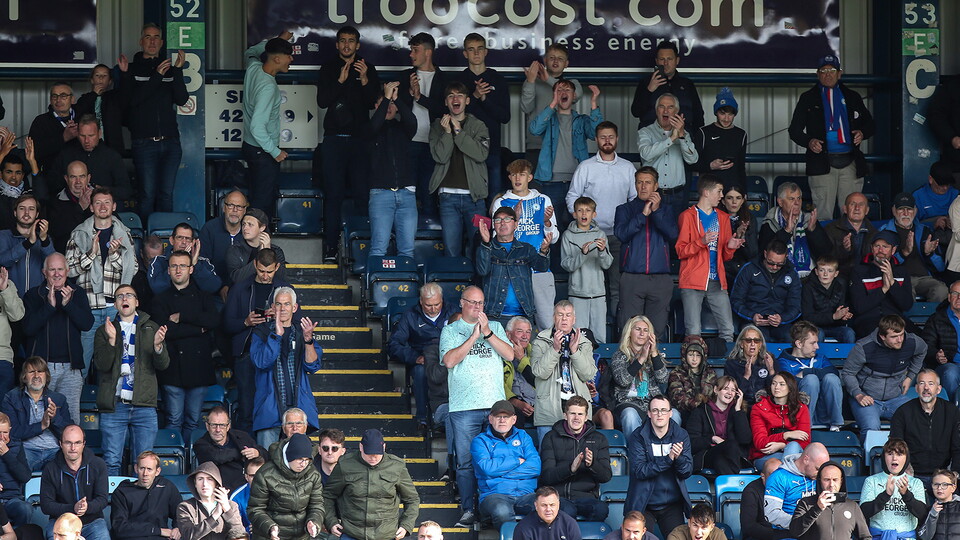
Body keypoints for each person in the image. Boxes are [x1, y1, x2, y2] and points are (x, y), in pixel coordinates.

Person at [439, 285, 512, 527]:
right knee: (466, 462)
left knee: (496, 458)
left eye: (480, 303)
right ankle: (468, 510)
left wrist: (488, 333)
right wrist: (473, 336)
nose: (477, 307)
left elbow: (511, 355)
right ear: (461, 303)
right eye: (472, 302)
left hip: (494, 407)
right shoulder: (450, 330)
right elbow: (449, 361)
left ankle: (493, 510)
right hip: (463, 408)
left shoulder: (497, 327)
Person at [317, 26, 380, 261]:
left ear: (358, 45)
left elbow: (375, 103)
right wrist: (341, 82)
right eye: (342, 41)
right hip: (334, 140)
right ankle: (331, 249)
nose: (346, 45)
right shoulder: (328, 68)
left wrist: (364, 79)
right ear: (336, 44)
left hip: (360, 142)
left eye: (351, 41)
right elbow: (322, 101)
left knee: (362, 196)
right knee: (333, 196)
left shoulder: (367, 68)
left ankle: (361, 250)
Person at [93, 284, 169, 475]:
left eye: (129, 295)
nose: (124, 299)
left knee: (144, 466)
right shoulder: (104, 330)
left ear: (137, 302)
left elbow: (163, 365)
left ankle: (140, 505)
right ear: (116, 304)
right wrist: (111, 341)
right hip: (115, 404)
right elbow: (101, 366)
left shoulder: (152, 328)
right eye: (119, 296)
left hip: (144, 405)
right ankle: (111, 504)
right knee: (111, 462)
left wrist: (158, 347)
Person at [788, 54, 875, 219]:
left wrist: (862, 133)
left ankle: (850, 244)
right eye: (824, 71)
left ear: (839, 73)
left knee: (852, 214)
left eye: (832, 70)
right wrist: (809, 141)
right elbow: (794, 130)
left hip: (850, 162)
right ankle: (823, 245)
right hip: (821, 162)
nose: (828, 74)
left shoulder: (852, 97)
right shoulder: (808, 98)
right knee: (822, 214)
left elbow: (871, 125)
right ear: (818, 74)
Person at [565, 122, 637, 318]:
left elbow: (634, 200)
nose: (607, 140)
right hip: (587, 238)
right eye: (603, 137)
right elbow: (572, 196)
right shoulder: (586, 167)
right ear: (596, 140)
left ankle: (614, 336)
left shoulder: (627, 167)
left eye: (611, 136)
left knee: (616, 288)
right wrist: (581, 219)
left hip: (617, 237)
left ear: (617, 138)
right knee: (588, 291)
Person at [66, 187, 138, 373]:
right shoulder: (79, 234)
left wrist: (114, 255)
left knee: (115, 365)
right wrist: (91, 254)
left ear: (114, 206)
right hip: (88, 308)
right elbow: (69, 271)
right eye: (98, 202)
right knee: (81, 365)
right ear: (91, 207)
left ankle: (110, 403)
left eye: (107, 202)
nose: (103, 206)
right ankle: (78, 403)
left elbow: (134, 268)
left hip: (115, 309)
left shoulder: (124, 233)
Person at [150, 250, 219, 441]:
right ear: (168, 271)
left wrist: (182, 318)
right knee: (173, 419)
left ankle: (192, 464)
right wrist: (198, 329)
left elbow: (213, 321)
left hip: (199, 367)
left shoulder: (204, 296)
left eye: (182, 266)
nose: (178, 270)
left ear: (191, 269)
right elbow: (166, 332)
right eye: (174, 266)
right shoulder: (160, 299)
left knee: (193, 421)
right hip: (172, 368)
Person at [222, 248, 291, 434]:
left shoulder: (285, 290)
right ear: (255, 265)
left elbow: (297, 322)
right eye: (261, 271)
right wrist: (246, 321)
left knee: (278, 408)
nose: (266, 276)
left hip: (277, 356)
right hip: (247, 355)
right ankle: (249, 457)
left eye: (270, 271)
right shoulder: (239, 288)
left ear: (277, 267)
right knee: (246, 408)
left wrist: (279, 316)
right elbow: (226, 325)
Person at [123, 23, 188, 215]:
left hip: (171, 142)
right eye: (148, 37)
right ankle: (144, 242)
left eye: (156, 37)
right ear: (141, 41)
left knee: (166, 195)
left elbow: (182, 99)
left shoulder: (169, 69)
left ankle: (166, 242)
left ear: (161, 42)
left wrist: (177, 70)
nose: (152, 41)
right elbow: (132, 102)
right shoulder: (132, 69)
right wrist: (157, 76)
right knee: (147, 194)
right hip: (144, 143)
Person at [21, 252, 92, 423]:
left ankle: (70, 449)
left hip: (71, 369)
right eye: (52, 269)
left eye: (60, 269)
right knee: (38, 416)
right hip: (41, 368)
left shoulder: (78, 293)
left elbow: (87, 324)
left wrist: (69, 305)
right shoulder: (33, 295)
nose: (57, 274)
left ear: (67, 271)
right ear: (44, 272)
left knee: (71, 418)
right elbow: (28, 329)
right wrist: (49, 306)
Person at [491, 158, 559, 330]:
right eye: (514, 175)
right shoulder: (502, 202)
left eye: (522, 174)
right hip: (512, 270)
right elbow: (496, 237)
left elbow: (555, 237)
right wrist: (515, 219)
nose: (517, 179)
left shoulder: (543, 200)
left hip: (538, 269)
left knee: (546, 324)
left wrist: (546, 222)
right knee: (515, 326)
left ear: (530, 177)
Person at [249, 287, 321, 447]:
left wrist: (309, 340)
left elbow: (313, 366)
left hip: (298, 410)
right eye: (278, 304)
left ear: (294, 308)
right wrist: (276, 335)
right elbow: (261, 362)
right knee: (267, 464)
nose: (282, 309)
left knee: (297, 462)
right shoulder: (261, 332)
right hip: (269, 411)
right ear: (273, 307)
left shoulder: (302, 333)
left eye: (287, 304)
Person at [676, 174, 744, 342]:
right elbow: (681, 251)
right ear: (706, 192)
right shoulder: (688, 216)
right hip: (693, 280)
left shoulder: (722, 217)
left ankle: (728, 367)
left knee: (728, 329)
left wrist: (730, 247)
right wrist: (701, 242)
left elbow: (726, 257)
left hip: (716, 280)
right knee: (693, 331)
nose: (722, 196)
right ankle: (693, 366)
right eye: (719, 191)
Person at [529, 80, 603, 232]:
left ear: (574, 95)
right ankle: (554, 257)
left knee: (578, 227)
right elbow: (534, 129)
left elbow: (597, 132)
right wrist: (552, 103)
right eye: (559, 90)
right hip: (551, 182)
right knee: (551, 227)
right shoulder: (549, 118)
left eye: (567, 90)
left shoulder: (581, 120)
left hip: (577, 183)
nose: (563, 92)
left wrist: (594, 103)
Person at [615, 166, 678, 339]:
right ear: (635, 185)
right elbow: (621, 234)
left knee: (655, 331)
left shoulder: (666, 209)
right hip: (632, 277)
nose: (643, 187)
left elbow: (673, 235)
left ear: (656, 186)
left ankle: (653, 365)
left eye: (648, 183)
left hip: (660, 279)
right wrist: (643, 215)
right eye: (639, 182)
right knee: (629, 329)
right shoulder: (625, 209)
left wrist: (656, 212)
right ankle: (628, 365)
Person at [428, 81, 490, 258]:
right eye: (451, 96)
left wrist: (458, 131)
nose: (455, 99)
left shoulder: (478, 126)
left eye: (460, 95)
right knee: (451, 250)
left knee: (479, 248)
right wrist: (447, 133)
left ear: (467, 101)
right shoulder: (437, 126)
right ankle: (453, 285)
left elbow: (480, 154)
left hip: (475, 197)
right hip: (448, 197)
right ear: (446, 102)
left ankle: (477, 286)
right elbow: (439, 157)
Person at [842, 314, 926, 444]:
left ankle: (909, 461)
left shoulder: (912, 342)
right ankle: (869, 463)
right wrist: (858, 394)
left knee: (917, 421)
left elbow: (923, 350)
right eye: (894, 337)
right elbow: (847, 373)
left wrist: (910, 376)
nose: (900, 340)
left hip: (896, 398)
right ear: (882, 336)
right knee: (872, 428)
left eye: (902, 334)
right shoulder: (864, 347)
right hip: (868, 398)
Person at [323, 429, 420, 540]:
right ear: (360, 447)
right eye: (369, 453)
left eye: (377, 454)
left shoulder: (397, 467)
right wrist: (331, 521)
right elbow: (327, 496)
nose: (373, 457)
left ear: (384, 447)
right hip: (352, 532)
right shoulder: (345, 465)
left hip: (386, 534)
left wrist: (406, 525)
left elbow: (412, 499)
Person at [387, 282, 458, 428]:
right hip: (423, 358)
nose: (433, 309)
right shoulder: (410, 316)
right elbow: (394, 345)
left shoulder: (453, 312)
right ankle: (423, 418)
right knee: (420, 372)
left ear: (442, 300)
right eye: (428, 305)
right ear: (421, 302)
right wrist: (414, 357)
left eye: (437, 304)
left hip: (450, 356)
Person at [398, 32, 449, 221]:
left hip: (433, 145)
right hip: (407, 143)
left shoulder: (444, 80)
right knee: (406, 195)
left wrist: (419, 97)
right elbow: (395, 109)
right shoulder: (404, 77)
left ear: (428, 52)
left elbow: (445, 110)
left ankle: (430, 243)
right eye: (411, 50)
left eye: (415, 50)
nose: (411, 54)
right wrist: (408, 94)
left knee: (429, 195)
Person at [242, 31, 293, 220]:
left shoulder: (253, 67)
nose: (291, 59)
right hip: (263, 153)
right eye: (288, 56)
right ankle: (259, 247)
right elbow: (257, 126)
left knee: (256, 200)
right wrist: (275, 151)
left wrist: (277, 41)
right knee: (261, 207)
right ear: (278, 59)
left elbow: (249, 53)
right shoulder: (268, 87)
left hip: (249, 147)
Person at [365, 81, 418, 259]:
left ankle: (406, 286)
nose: (388, 106)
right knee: (379, 248)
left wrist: (396, 99)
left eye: (392, 104)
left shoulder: (403, 128)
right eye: (383, 103)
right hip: (381, 194)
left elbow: (412, 121)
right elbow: (373, 126)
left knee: (407, 250)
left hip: (406, 194)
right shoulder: (370, 127)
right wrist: (387, 98)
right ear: (376, 106)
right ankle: (375, 286)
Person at [626, 394, 692, 535]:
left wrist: (678, 458)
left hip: (672, 504)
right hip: (644, 504)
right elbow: (640, 471)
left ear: (670, 413)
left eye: (663, 410)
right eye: (655, 410)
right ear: (649, 413)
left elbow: (686, 471)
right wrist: (668, 459)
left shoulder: (681, 435)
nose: (659, 414)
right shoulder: (638, 436)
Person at [539, 396, 611, 521]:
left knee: (601, 509)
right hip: (558, 496)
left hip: (586, 496)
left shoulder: (599, 439)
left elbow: (606, 476)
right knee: (568, 510)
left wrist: (592, 464)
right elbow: (546, 477)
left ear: (586, 416)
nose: (576, 418)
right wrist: (570, 469)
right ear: (565, 415)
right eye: (572, 413)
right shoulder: (551, 437)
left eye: (580, 414)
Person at [472, 400, 540, 532]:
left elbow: (535, 466)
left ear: (514, 419)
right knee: (502, 511)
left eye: (506, 417)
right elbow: (487, 468)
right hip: (494, 495)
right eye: (498, 416)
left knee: (547, 507)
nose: (502, 420)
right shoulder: (480, 441)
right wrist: (516, 461)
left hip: (526, 494)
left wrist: (499, 473)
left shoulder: (523, 436)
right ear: (490, 419)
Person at [530, 301, 596, 438]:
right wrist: (554, 349)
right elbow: (539, 372)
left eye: (568, 315)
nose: (564, 318)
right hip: (548, 408)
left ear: (574, 319)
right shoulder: (540, 341)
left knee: (579, 454)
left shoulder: (584, 342)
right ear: (554, 317)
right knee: (548, 456)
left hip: (578, 409)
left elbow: (588, 374)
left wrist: (575, 351)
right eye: (560, 314)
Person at [477, 206, 551, 326]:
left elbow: (542, 267)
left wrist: (543, 251)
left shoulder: (526, 249)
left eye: (507, 219)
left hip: (523, 314)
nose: (502, 223)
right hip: (494, 314)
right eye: (498, 220)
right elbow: (482, 270)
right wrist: (485, 243)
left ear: (516, 224)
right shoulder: (487, 248)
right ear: (494, 225)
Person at [459, 32, 510, 205]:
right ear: (465, 53)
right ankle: (474, 233)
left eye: (480, 49)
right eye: (471, 49)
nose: (476, 53)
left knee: (494, 199)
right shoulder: (459, 81)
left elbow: (505, 117)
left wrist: (484, 100)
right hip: (465, 150)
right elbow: (454, 115)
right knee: (469, 199)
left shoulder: (498, 79)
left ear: (486, 52)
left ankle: (495, 232)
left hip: (492, 149)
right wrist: (473, 95)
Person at [246, 433, 324, 540]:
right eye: (300, 459)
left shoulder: (313, 475)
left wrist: (314, 522)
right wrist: (270, 527)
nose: (303, 464)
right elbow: (255, 509)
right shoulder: (265, 475)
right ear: (289, 456)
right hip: (270, 535)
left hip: (301, 536)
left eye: (307, 460)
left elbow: (317, 505)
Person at [1, 356, 71, 472]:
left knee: (66, 468)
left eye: (40, 371)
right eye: (31, 372)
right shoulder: (11, 398)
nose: (36, 376)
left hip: (54, 450)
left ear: (46, 376)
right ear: (24, 377)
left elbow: (69, 433)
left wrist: (54, 418)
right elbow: (13, 432)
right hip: (25, 450)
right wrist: (41, 425)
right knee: (17, 470)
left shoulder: (59, 399)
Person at [889, 369, 960, 483]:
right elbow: (895, 445)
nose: (926, 388)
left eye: (931, 384)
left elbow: (958, 447)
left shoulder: (952, 412)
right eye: (922, 383)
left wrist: (955, 472)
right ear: (916, 388)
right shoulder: (903, 412)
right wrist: (906, 467)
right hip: (912, 475)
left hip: (943, 475)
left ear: (938, 389)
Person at [40, 425, 110, 540]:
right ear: (60, 444)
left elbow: (102, 499)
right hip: (61, 522)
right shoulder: (50, 469)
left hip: (92, 522)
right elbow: (46, 505)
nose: (73, 448)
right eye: (68, 443)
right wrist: (73, 508)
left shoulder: (98, 464)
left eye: (77, 443)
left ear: (84, 444)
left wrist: (87, 507)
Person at [521, 44, 583, 170]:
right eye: (552, 58)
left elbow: (575, 95)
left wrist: (548, 79)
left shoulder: (574, 83)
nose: (555, 61)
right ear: (545, 60)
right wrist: (531, 82)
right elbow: (526, 108)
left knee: (563, 187)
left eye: (560, 59)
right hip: (537, 145)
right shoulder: (532, 81)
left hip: (564, 146)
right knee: (535, 188)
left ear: (566, 64)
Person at [637, 93, 699, 218]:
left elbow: (693, 159)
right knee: (653, 233)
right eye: (661, 106)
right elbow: (646, 154)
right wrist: (671, 138)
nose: (665, 110)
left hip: (678, 195)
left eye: (670, 107)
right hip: (653, 194)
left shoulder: (684, 133)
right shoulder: (645, 131)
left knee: (677, 234)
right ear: (656, 110)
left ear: (676, 111)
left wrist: (681, 137)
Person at [879, 192, 949, 302]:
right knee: (905, 292)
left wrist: (929, 254)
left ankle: (933, 319)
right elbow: (880, 264)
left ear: (915, 211)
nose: (906, 213)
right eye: (901, 209)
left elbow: (941, 268)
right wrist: (904, 253)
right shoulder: (884, 232)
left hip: (924, 278)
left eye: (909, 209)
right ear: (894, 210)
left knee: (941, 290)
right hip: (898, 278)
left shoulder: (925, 231)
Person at [561, 196, 614, 341]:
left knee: (599, 338)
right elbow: (566, 264)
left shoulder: (600, 235)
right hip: (577, 294)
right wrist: (583, 254)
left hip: (598, 294)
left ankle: (599, 364)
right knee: (578, 338)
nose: (584, 214)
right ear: (574, 214)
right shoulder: (568, 235)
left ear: (594, 214)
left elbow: (607, 264)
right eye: (580, 210)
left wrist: (602, 251)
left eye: (588, 210)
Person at [48, 114, 132, 203]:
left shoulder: (112, 157)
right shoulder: (66, 155)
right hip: (71, 208)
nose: (87, 141)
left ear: (99, 133)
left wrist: (103, 191)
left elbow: (126, 191)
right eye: (82, 136)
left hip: (101, 209)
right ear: (77, 134)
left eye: (91, 135)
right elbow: (52, 184)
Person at [776, 321, 844, 430]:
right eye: (813, 343)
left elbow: (834, 372)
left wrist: (805, 373)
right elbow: (787, 384)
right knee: (811, 380)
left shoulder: (820, 358)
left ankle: (836, 424)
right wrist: (810, 376)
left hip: (823, 411)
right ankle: (805, 424)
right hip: (798, 412)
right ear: (799, 344)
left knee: (831, 378)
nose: (817, 347)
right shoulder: (784, 361)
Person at [730, 239, 801, 342]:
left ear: (786, 257)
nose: (775, 267)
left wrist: (782, 319)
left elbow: (796, 306)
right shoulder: (749, 269)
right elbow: (736, 300)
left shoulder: (792, 273)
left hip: (781, 324)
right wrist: (752, 316)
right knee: (759, 340)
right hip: (753, 321)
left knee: (795, 340)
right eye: (771, 263)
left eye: (780, 264)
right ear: (765, 254)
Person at [849, 230, 916, 337]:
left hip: (896, 321)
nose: (880, 250)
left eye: (885, 246)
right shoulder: (859, 271)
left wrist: (892, 282)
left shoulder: (901, 271)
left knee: (920, 339)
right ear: (872, 248)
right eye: (877, 246)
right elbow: (859, 307)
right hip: (867, 321)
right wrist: (883, 289)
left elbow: (907, 305)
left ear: (893, 250)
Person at [609, 315, 668, 437]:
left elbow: (663, 378)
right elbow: (623, 380)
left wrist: (654, 354)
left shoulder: (655, 356)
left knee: (675, 415)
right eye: (638, 329)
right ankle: (635, 454)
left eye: (645, 330)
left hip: (651, 403)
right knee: (630, 414)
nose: (642, 333)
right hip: (627, 403)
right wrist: (641, 359)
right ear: (629, 332)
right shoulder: (619, 356)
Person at [758, 182, 830, 278]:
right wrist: (786, 231)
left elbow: (826, 253)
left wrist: (813, 231)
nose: (797, 203)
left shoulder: (808, 220)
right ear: (780, 202)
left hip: (809, 276)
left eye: (799, 198)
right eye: (791, 199)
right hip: (778, 275)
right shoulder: (770, 222)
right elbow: (765, 254)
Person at [860, 438, 927, 536]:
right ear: (884, 457)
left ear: (906, 458)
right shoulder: (871, 481)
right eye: (890, 454)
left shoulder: (916, 483)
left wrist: (906, 494)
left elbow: (922, 514)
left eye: (899, 454)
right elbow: (863, 513)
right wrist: (885, 495)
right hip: (878, 537)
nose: (894, 458)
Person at [631, 41, 704, 131]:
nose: (665, 63)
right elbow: (636, 112)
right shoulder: (646, 82)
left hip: (683, 137)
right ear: (656, 61)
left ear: (677, 60)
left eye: (669, 59)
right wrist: (649, 90)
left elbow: (698, 115)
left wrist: (698, 139)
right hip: (652, 138)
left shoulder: (687, 84)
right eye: (662, 59)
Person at [110, 450, 182, 539]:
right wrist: (159, 531)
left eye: (149, 469)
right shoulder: (122, 492)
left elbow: (180, 512)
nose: (145, 474)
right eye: (142, 468)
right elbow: (119, 528)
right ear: (136, 468)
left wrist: (177, 527)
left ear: (157, 471)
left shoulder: (166, 486)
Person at [192, 405, 265, 493]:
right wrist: (240, 452)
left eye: (222, 425)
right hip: (219, 492)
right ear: (207, 426)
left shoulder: (242, 436)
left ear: (228, 426)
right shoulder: (200, 444)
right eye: (214, 425)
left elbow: (265, 454)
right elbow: (217, 457)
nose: (218, 430)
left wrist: (257, 452)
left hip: (245, 490)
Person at [789, 461, 870, 540]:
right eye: (827, 480)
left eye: (835, 480)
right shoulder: (806, 503)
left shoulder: (852, 506)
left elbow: (865, 536)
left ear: (841, 481)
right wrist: (817, 508)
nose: (831, 484)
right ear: (820, 480)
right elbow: (795, 532)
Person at [686, 376, 750, 475]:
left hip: (730, 457)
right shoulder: (701, 411)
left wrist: (738, 410)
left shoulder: (737, 413)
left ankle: (730, 489)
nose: (729, 393)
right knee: (730, 445)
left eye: (733, 390)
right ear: (716, 390)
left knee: (721, 460)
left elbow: (745, 439)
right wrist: (713, 438)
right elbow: (691, 443)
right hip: (708, 454)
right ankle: (736, 485)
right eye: (726, 388)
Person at [763, 442, 831, 534]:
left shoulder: (820, 477)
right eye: (817, 469)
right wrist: (801, 524)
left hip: (818, 532)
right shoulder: (779, 477)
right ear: (806, 459)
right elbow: (772, 514)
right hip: (788, 532)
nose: (820, 474)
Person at [750, 372, 811, 469]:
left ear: (790, 388)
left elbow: (805, 442)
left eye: (782, 384)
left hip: (794, 453)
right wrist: (785, 435)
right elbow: (760, 443)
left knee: (794, 446)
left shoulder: (801, 408)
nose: (776, 387)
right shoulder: (759, 408)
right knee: (776, 464)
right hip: (766, 456)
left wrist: (782, 445)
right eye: (774, 383)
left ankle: (785, 476)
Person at [0, 193, 54, 297]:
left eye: (31, 209)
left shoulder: (44, 238)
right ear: (15, 212)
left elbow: (53, 265)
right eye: (22, 208)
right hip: (10, 300)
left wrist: (44, 240)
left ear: (37, 214)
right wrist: (28, 243)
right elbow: (3, 261)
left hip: (38, 300)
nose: (26, 212)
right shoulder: (3, 236)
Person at [176, 461, 245, 540]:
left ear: (216, 483)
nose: (205, 484)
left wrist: (227, 510)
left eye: (209, 479)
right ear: (195, 483)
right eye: (200, 479)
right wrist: (215, 515)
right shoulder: (185, 507)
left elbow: (240, 536)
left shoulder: (231, 505)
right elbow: (188, 536)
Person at [693, 88, 746, 190]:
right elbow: (692, 164)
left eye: (730, 114)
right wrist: (710, 166)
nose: (726, 118)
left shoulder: (741, 134)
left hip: (732, 190)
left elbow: (741, 167)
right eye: (722, 113)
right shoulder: (703, 132)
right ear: (716, 112)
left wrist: (743, 191)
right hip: (708, 189)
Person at [147, 223, 221, 295]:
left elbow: (213, 287)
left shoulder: (203, 262)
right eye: (180, 238)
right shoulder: (159, 261)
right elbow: (157, 288)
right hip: (168, 305)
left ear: (193, 242)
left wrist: (195, 265)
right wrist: (180, 261)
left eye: (188, 239)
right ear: (171, 240)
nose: (184, 242)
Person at [199, 190, 248, 294]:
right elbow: (203, 264)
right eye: (230, 205)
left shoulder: (249, 231)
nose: (235, 210)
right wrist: (221, 286)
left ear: (244, 210)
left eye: (239, 207)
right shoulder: (210, 229)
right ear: (224, 208)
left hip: (243, 290)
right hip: (214, 289)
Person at [800, 256, 856, 344]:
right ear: (816, 271)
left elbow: (844, 307)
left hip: (835, 326)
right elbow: (807, 317)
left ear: (836, 273)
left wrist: (844, 315)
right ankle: (816, 358)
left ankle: (848, 358)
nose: (825, 274)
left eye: (830, 271)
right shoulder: (808, 287)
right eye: (822, 270)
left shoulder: (841, 285)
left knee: (849, 333)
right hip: (814, 327)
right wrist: (833, 316)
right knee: (819, 334)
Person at [225, 208, 287, 286]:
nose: (245, 228)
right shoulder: (235, 250)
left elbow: (282, 279)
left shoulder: (276, 251)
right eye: (244, 224)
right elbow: (237, 279)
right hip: (243, 294)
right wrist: (260, 256)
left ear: (262, 228)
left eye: (250, 225)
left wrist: (267, 253)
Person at [28, 82, 78, 177]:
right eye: (54, 96)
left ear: (72, 99)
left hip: (79, 179)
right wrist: (63, 138)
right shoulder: (41, 121)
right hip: (51, 178)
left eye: (63, 96)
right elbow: (34, 152)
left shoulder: (81, 119)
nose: (58, 100)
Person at [921, 282, 960, 401]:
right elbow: (926, 346)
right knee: (950, 373)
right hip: (949, 365)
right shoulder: (937, 319)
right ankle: (953, 413)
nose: (959, 298)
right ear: (949, 297)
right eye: (955, 293)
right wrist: (936, 355)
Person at [75, 64, 124, 155]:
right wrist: (94, 95)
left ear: (109, 81)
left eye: (104, 76)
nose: (101, 78)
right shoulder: (85, 99)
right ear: (92, 80)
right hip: (89, 147)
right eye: (97, 75)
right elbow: (78, 116)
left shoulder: (115, 98)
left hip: (111, 146)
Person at [668, 336, 717, 424]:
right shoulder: (676, 373)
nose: (694, 359)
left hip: (707, 412)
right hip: (685, 413)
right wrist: (697, 405)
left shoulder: (710, 373)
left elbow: (715, 395)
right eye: (691, 355)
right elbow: (678, 398)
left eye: (698, 355)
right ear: (684, 355)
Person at [823, 192, 876, 273]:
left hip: (866, 277)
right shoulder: (830, 230)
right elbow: (826, 261)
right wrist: (844, 250)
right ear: (845, 209)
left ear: (867, 210)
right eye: (852, 204)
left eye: (861, 204)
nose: (857, 208)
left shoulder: (874, 233)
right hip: (840, 276)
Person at [48, 161, 93, 255]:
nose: (78, 182)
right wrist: (80, 208)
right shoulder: (56, 202)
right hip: (68, 257)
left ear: (88, 178)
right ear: (66, 178)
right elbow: (57, 232)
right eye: (73, 177)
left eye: (82, 176)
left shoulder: (100, 198)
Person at [724, 326, 776, 406]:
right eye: (748, 340)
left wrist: (771, 370)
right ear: (741, 344)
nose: (752, 344)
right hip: (741, 406)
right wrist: (746, 376)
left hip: (765, 406)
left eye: (756, 340)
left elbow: (776, 392)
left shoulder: (769, 361)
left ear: (760, 344)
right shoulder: (731, 364)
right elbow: (731, 394)